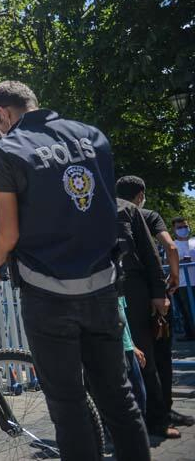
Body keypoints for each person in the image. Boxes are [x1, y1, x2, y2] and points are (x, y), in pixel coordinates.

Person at [0, 80, 150, 460]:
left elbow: (8, 232)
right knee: (118, 399)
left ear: (2, 114)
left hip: (47, 292)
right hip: (102, 285)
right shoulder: (93, 136)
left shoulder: (7, 150)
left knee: (68, 407)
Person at [116, 176, 194, 429]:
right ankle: (162, 415)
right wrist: (172, 278)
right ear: (140, 195)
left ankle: (148, 413)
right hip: (150, 292)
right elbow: (170, 248)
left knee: (137, 355)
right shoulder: (147, 215)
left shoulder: (105, 213)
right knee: (159, 355)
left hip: (122, 293)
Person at [115, 195, 177, 439]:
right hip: (102, 292)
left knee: (146, 360)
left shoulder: (127, 209)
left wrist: (158, 293)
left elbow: (150, 255)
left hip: (135, 292)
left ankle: (157, 421)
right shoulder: (75, 206)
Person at [172, 216, 195, 340]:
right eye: (179, 227)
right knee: (187, 310)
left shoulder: (194, 241)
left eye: (185, 226)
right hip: (182, 283)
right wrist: (181, 261)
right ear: (174, 229)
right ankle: (190, 333)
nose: (183, 229)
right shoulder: (172, 245)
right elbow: (167, 261)